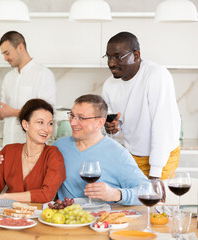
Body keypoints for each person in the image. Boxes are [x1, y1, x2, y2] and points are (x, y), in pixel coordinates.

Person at [102, 31, 181, 180]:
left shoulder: (156, 76)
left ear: (136, 55)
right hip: (133, 155)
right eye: (109, 57)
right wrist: (113, 128)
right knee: (134, 202)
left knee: (156, 201)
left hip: (163, 156)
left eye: (118, 57)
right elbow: (115, 127)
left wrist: (155, 174)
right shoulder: (109, 85)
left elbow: (162, 126)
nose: (111, 63)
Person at [0, 99, 66, 203]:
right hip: (9, 216)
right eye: (40, 122)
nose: (46, 129)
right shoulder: (9, 151)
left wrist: (5, 197)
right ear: (25, 124)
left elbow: (46, 194)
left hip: (40, 217)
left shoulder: (54, 155)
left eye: (50, 123)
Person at [53, 94, 148, 206]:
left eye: (81, 118)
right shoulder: (59, 146)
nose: (73, 122)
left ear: (100, 122)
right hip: (66, 220)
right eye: (72, 115)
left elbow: (146, 191)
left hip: (102, 219)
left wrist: (116, 194)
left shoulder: (118, 154)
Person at [0, 31, 56, 147]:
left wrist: (11, 111)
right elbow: (2, 114)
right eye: (3, 54)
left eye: (7, 53)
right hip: (8, 145)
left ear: (20, 47)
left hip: (32, 149)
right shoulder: (8, 77)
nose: (5, 58)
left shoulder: (43, 74)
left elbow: (47, 114)